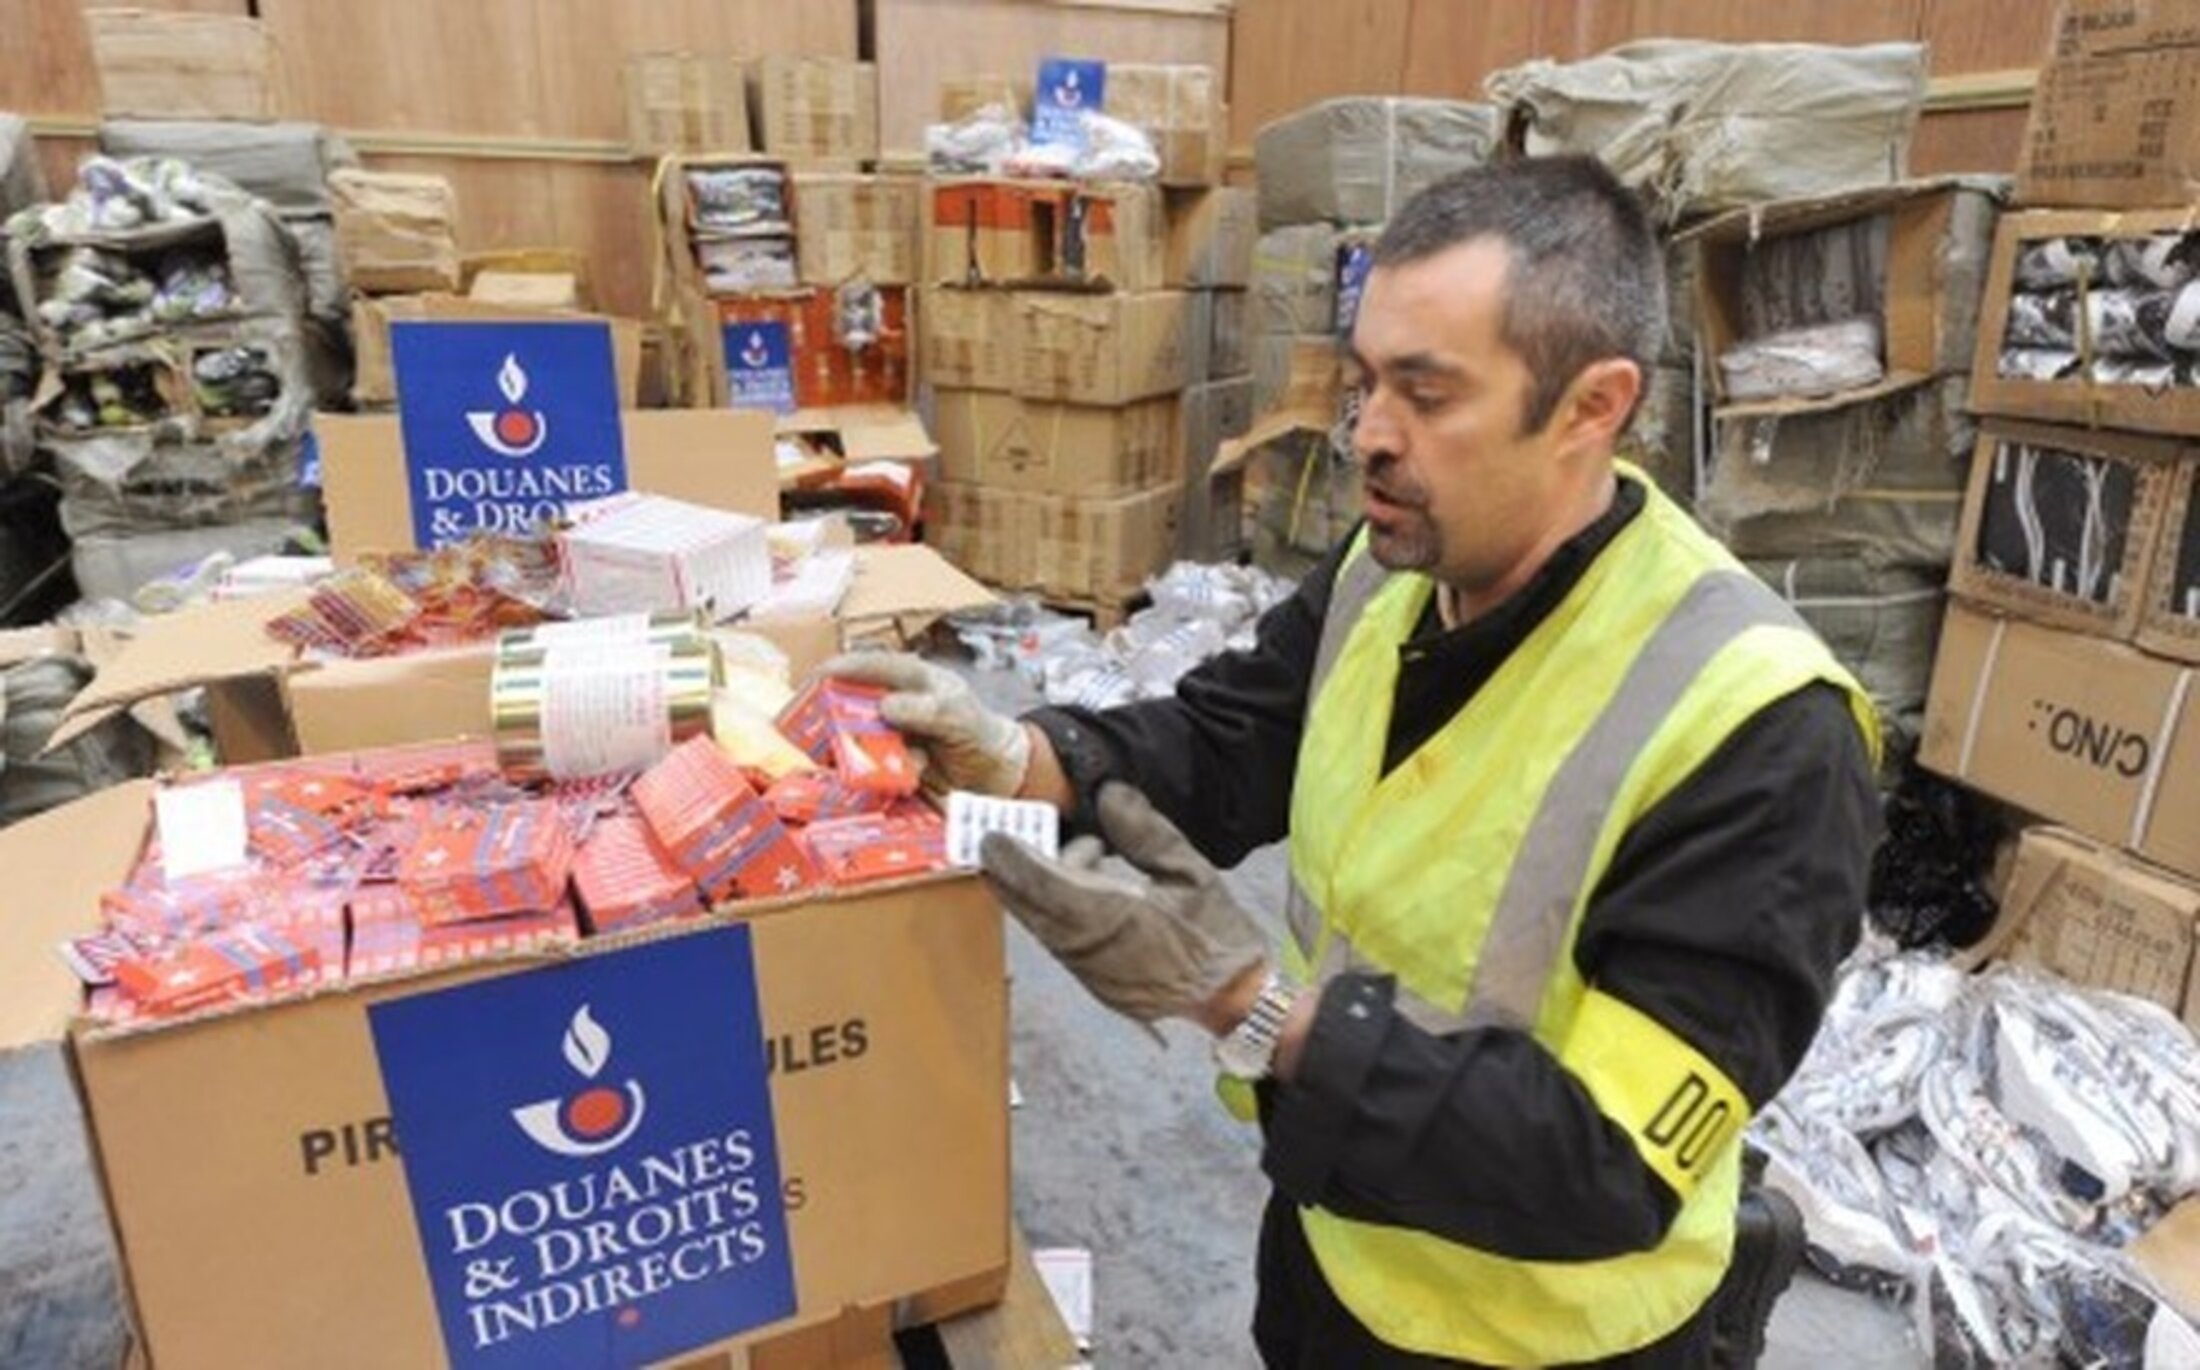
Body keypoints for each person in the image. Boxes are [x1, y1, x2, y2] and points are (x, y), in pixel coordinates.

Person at [828, 155, 1881, 1368]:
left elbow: (1603, 1161)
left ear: (1591, 406)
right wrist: (1019, 751)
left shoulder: (1760, 728)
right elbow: (1229, 739)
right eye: (1366, 380)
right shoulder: (1395, 571)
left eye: (1426, 395)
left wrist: (1247, 1004)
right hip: (1339, 1228)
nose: (1367, 435)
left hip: (1540, 1332)